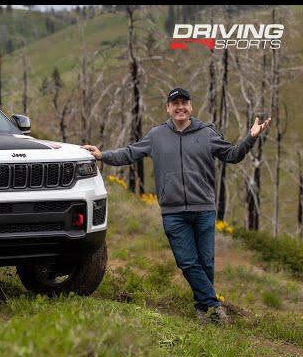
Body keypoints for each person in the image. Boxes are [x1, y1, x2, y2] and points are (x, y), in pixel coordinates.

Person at [82, 88, 271, 324]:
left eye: (184, 103)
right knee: (187, 261)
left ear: (191, 107)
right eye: (175, 103)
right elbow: (130, 153)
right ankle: (213, 306)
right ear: (168, 108)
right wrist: (103, 155)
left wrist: (251, 137)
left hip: (203, 209)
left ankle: (204, 309)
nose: (180, 107)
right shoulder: (156, 135)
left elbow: (232, 155)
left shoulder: (207, 134)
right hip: (173, 212)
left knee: (206, 262)